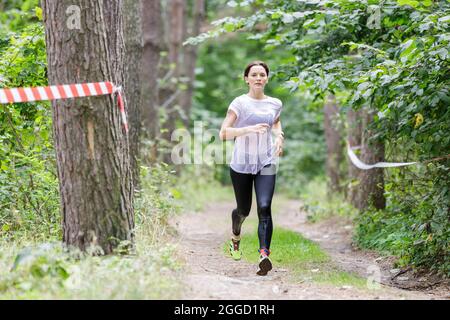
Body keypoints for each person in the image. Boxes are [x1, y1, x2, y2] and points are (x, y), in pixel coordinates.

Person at [219, 60, 284, 276]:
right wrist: (248, 129)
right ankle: (235, 236)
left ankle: (264, 255)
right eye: (254, 75)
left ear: (267, 78)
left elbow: (275, 122)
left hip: (266, 161)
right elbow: (224, 133)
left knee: (264, 207)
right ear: (246, 78)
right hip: (241, 164)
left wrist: (279, 137)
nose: (258, 78)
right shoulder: (239, 103)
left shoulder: (275, 103)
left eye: (262, 75)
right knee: (243, 210)